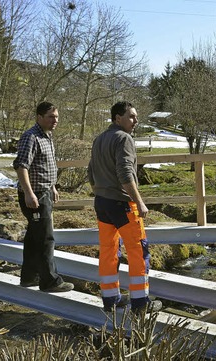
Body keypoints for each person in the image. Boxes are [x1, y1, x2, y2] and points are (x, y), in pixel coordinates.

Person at [88, 101, 153, 313]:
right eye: (132, 116)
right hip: (122, 204)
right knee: (138, 252)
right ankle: (140, 303)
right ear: (118, 118)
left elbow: (91, 172)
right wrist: (139, 201)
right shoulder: (124, 138)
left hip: (102, 203)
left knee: (108, 251)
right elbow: (125, 173)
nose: (136, 120)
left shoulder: (99, 139)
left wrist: (101, 191)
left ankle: (110, 300)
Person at [13, 101, 74, 292]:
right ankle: (50, 281)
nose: (55, 120)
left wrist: (52, 186)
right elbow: (21, 166)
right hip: (35, 196)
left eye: (56, 116)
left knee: (34, 237)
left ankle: (29, 277)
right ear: (39, 117)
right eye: (50, 116)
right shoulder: (30, 137)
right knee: (46, 238)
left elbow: (44, 166)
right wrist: (29, 194)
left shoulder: (47, 136)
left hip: (44, 192)